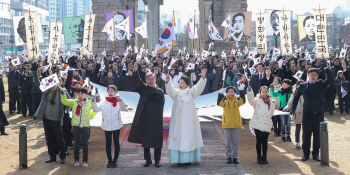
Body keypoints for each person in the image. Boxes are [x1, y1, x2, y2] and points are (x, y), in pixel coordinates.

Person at [291, 67, 333, 161]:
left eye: (315, 75)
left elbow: (330, 79)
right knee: (306, 135)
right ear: (308, 75)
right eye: (311, 75)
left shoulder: (321, 84)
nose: (313, 76)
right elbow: (296, 97)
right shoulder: (302, 85)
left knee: (317, 135)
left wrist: (326, 68)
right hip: (307, 114)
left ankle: (315, 154)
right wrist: (293, 109)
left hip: (319, 113)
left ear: (317, 76)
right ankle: (306, 154)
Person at [165, 68, 206, 165]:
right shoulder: (176, 93)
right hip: (178, 123)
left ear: (187, 85)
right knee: (177, 140)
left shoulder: (190, 93)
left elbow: (198, 88)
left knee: (188, 139)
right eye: (179, 83)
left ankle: (187, 159)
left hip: (188, 123)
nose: (180, 85)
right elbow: (170, 90)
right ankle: (176, 159)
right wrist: (168, 82)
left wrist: (203, 78)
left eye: (182, 83)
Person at [127, 63, 165, 168]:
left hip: (156, 120)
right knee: (146, 140)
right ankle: (148, 160)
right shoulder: (143, 89)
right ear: (146, 80)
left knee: (157, 141)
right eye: (149, 79)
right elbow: (137, 82)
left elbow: (162, 105)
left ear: (155, 80)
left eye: (152, 79)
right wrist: (136, 71)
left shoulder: (160, 92)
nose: (151, 81)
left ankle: (157, 160)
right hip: (145, 119)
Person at [32, 63, 68, 164]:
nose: (53, 85)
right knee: (48, 138)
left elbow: (69, 102)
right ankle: (52, 156)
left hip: (57, 119)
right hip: (46, 118)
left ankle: (63, 156)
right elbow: (37, 83)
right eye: (51, 83)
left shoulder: (62, 92)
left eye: (55, 83)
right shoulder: (46, 91)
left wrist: (66, 111)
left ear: (58, 83)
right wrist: (34, 72)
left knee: (59, 138)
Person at [91, 85, 126, 168]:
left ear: (115, 92)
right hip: (106, 125)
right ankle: (109, 160)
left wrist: (121, 101)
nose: (110, 93)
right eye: (109, 91)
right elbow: (96, 109)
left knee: (116, 143)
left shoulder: (117, 101)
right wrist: (93, 102)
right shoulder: (104, 102)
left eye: (112, 91)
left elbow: (123, 109)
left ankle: (115, 160)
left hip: (116, 125)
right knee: (108, 143)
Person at [61, 87, 97, 167]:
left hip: (85, 126)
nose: (80, 95)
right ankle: (76, 160)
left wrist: (90, 116)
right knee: (76, 144)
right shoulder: (74, 102)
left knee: (85, 144)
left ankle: (85, 161)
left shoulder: (89, 102)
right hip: (76, 126)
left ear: (86, 95)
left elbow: (96, 109)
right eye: (78, 94)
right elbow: (65, 101)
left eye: (82, 94)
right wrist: (63, 94)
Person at [217, 85, 245, 164]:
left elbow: (243, 101)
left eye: (232, 92)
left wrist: (241, 91)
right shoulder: (224, 100)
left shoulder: (237, 100)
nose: (231, 93)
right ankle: (229, 157)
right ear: (226, 93)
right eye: (229, 92)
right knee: (227, 142)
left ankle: (235, 157)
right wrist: (220, 94)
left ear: (234, 93)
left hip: (236, 124)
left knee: (235, 142)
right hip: (227, 124)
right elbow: (219, 103)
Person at [247, 86, 276, 164]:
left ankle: (265, 157)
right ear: (260, 93)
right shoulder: (257, 100)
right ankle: (259, 157)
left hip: (266, 124)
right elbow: (251, 101)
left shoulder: (272, 102)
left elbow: (271, 113)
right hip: (258, 124)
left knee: (265, 142)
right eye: (263, 92)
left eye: (266, 92)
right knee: (259, 141)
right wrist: (250, 92)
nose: (264, 93)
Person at [284, 80, 304, 150]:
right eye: (298, 85)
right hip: (297, 113)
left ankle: (304, 143)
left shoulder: (307, 93)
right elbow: (289, 104)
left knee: (306, 130)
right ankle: (297, 143)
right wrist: (286, 109)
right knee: (298, 129)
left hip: (306, 113)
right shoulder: (294, 94)